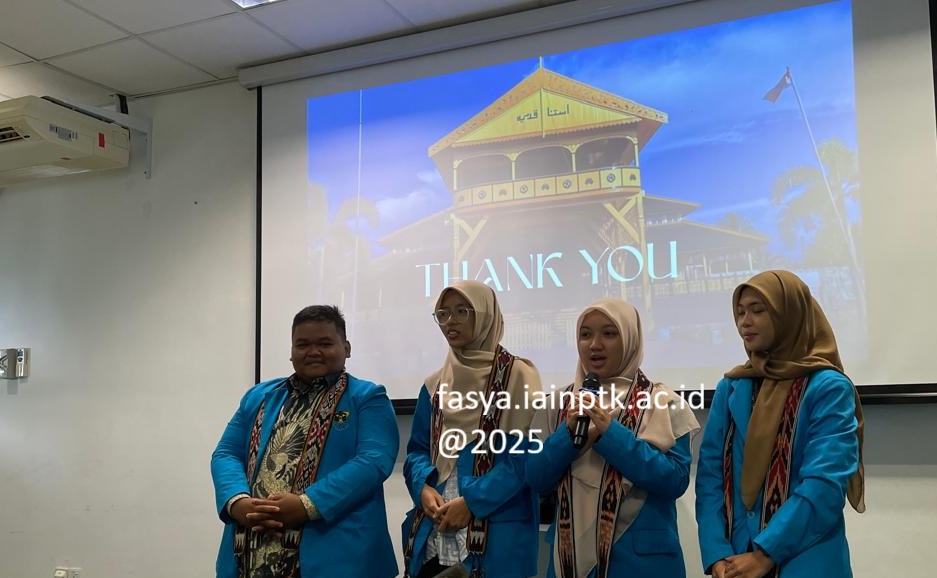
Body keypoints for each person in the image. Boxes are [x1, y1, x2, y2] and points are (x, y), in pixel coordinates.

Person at [695, 270, 866, 578]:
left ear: (789, 313)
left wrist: (766, 553)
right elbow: (710, 477)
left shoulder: (827, 387)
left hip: (806, 559)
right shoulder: (732, 386)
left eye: (758, 310)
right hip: (735, 560)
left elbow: (824, 483)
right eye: (740, 312)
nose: (745, 321)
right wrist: (716, 551)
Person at [211, 305, 399, 578]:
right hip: (250, 551)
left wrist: (307, 505)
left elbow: (373, 462)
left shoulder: (367, 397)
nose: (313, 351)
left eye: (325, 343)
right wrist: (237, 502)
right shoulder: (259, 396)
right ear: (291, 351)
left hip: (338, 556)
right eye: (302, 344)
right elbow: (226, 453)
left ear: (346, 348)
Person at [526, 297, 700, 578]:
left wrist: (611, 433)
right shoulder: (557, 403)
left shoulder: (664, 402)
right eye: (585, 334)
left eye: (609, 333)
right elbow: (536, 478)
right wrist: (568, 435)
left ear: (631, 339)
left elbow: (675, 481)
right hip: (569, 559)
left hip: (642, 565)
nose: (594, 344)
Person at [402, 280, 543, 578]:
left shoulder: (519, 375)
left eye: (462, 311)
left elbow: (525, 457)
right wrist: (422, 488)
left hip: (495, 534)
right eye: (443, 313)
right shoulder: (435, 383)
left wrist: (472, 503)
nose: (450, 321)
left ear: (486, 315)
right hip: (434, 532)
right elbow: (417, 450)